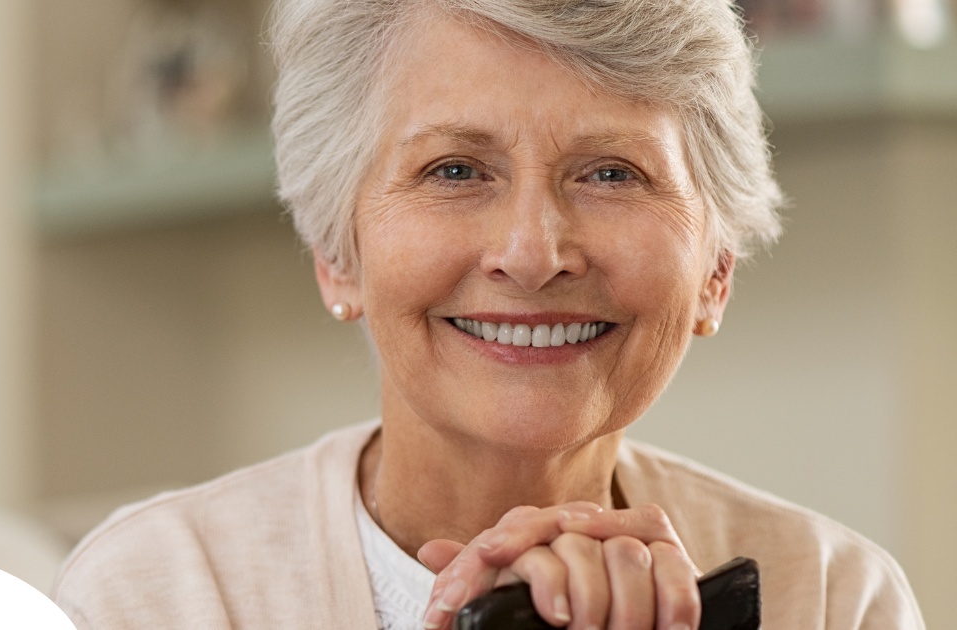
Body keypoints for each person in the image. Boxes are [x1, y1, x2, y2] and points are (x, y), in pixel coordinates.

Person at [53, 0, 924, 628]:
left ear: (716, 270)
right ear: (336, 253)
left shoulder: (834, 598)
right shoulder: (152, 594)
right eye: (456, 171)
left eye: (612, 172)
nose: (535, 252)